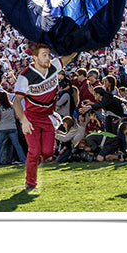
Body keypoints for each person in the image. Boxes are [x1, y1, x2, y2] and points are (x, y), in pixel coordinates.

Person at [13, 42, 77, 190]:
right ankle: (30, 182)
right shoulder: (25, 77)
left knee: (48, 152)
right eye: (44, 55)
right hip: (32, 118)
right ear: (34, 57)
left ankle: (35, 161)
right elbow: (16, 101)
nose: (48, 58)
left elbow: (67, 59)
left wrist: (78, 46)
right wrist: (24, 121)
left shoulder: (54, 66)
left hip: (48, 116)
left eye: (49, 54)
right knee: (34, 151)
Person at [0, 90, 26, 166]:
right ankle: (23, 160)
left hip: (2, 128)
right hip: (12, 127)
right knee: (17, 145)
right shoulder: (12, 106)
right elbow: (16, 116)